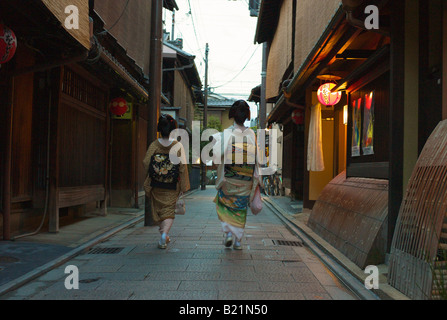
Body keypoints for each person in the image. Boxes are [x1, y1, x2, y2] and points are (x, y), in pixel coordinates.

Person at [212, 100, 261, 250]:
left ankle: (228, 233)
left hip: (228, 179)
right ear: (247, 116)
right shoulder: (251, 134)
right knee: (240, 209)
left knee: (225, 205)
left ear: (233, 114)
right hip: (245, 180)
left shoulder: (226, 133)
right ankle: (238, 240)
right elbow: (257, 158)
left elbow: (216, 156)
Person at [143, 114, 190, 249]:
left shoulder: (154, 145)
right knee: (169, 211)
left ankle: (164, 234)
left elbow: (146, 162)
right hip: (172, 185)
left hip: (156, 184)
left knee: (158, 210)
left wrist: (153, 173)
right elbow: (182, 166)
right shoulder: (177, 145)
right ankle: (164, 234)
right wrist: (183, 186)